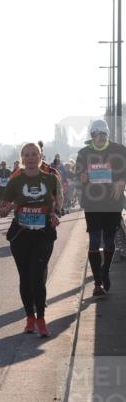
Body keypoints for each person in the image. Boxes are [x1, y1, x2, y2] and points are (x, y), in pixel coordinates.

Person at [0, 142, 63, 338]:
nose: (30, 158)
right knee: (25, 277)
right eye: (26, 155)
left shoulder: (51, 178)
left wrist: (54, 213)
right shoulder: (15, 180)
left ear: (41, 155)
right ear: (22, 158)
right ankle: (30, 318)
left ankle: (42, 319)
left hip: (43, 234)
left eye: (34, 154)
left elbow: (58, 203)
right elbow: (2, 211)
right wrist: (9, 208)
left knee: (37, 275)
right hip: (21, 234)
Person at [74, 119, 126, 296]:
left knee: (110, 241)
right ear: (91, 136)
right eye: (96, 135)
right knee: (95, 241)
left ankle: (105, 271)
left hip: (113, 203)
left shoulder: (119, 150)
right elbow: (78, 175)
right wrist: (81, 178)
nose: (100, 138)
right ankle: (97, 283)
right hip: (93, 204)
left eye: (103, 134)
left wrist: (122, 181)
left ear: (107, 135)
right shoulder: (83, 153)